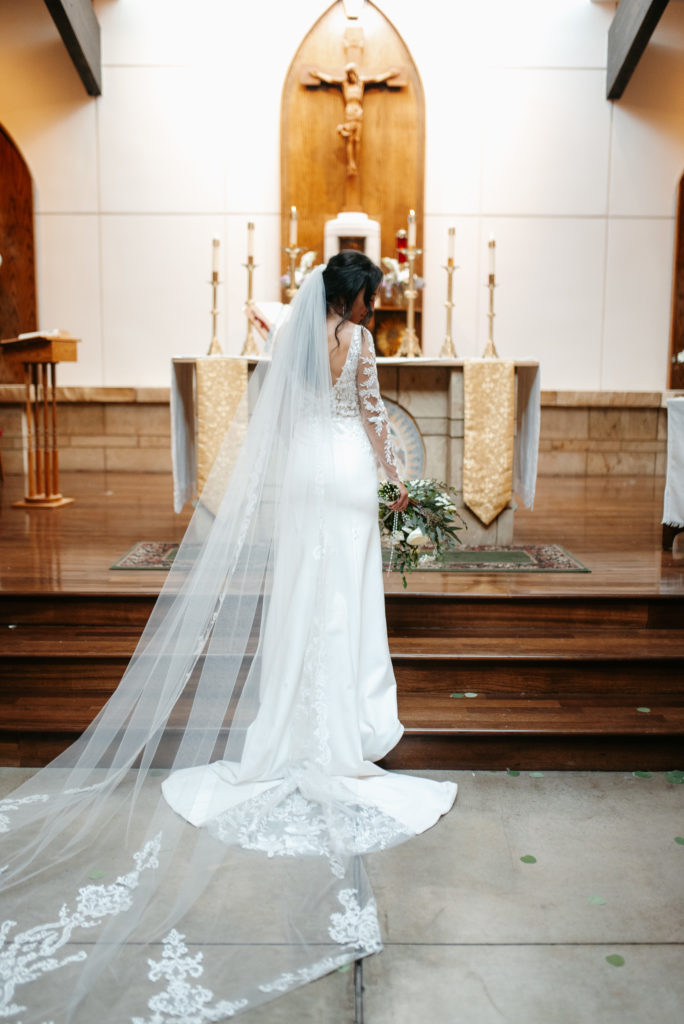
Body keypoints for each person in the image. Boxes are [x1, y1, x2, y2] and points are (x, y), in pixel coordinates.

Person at [0, 251, 456, 1022]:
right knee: (345, 598)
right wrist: (398, 478)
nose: (375, 304)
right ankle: (348, 719)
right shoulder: (361, 344)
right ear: (360, 295)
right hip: (346, 476)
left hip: (307, 478)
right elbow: (375, 416)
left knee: (301, 598)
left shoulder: (295, 335)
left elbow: (273, 376)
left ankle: (286, 721)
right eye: (372, 293)